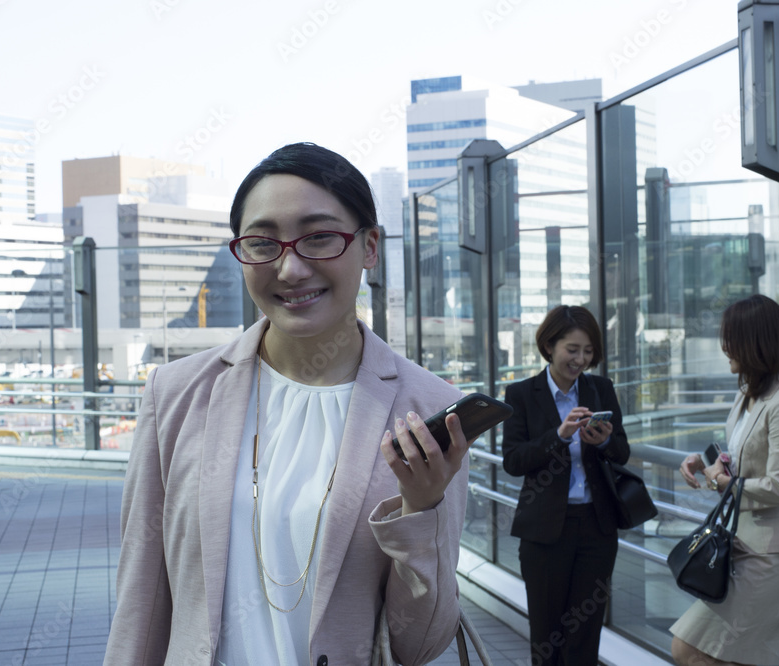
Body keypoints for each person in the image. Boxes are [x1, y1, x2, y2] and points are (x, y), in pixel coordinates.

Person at [103, 142, 472, 666]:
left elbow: (421, 642)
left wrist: (421, 511)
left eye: (319, 237)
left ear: (370, 247)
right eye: (262, 243)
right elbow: (142, 596)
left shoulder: (431, 409)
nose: (291, 268)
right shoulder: (177, 394)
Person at [671, 294, 779, 666]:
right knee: (722, 656)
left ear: (755, 343)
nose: (724, 348)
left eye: (731, 339)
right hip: (741, 541)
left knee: (692, 650)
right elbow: (736, 458)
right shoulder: (748, 395)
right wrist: (704, 462)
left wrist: (723, 485)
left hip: (768, 553)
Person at [501, 305, 631, 666]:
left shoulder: (601, 389)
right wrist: (558, 436)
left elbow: (622, 451)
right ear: (549, 345)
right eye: (572, 349)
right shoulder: (522, 394)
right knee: (547, 634)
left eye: (588, 351)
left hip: (596, 527)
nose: (581, 359)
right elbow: (513, 461)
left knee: (585, 634)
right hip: (545, 532)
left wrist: (603, 441)